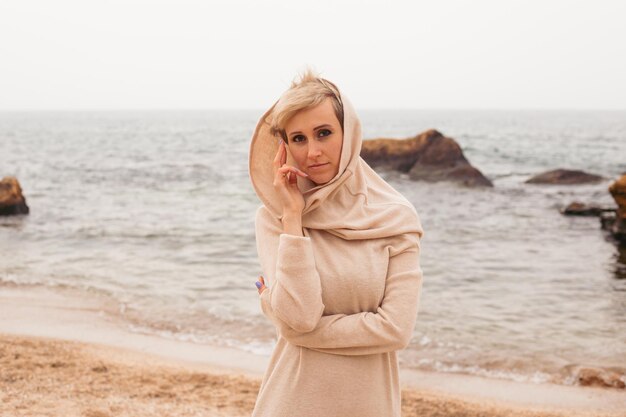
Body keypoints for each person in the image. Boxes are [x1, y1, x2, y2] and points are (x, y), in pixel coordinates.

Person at [248, 68, 425, 417]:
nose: (312, 151)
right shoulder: (275, 217)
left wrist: (298, 329)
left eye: (324, 133)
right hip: (291, 402)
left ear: (349, 134)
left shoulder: (396, 218)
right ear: (284, 148)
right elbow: (299, 316)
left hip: (368, 405)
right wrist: (294, 220)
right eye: (298, 139)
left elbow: (395, 329)